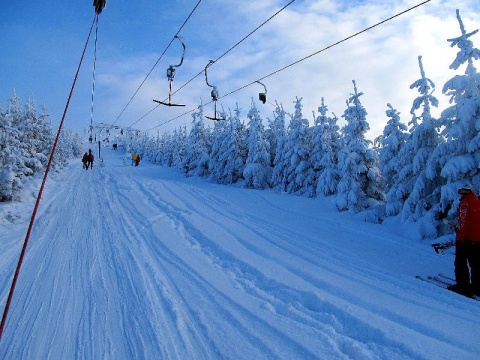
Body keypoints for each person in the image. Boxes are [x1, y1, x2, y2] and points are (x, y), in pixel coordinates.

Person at [447, 185, 480, 296]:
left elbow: (464, 223)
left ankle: (463, 286)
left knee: (460, 263)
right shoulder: (477, 201)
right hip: (477, 239)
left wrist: (460, 239)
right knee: (476, 264)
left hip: (467, 239)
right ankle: (477, 287)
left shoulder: (465, 203)